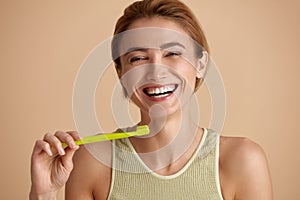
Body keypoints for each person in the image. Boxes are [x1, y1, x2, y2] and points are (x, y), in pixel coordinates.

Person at [29, 0, 273, 199]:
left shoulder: (243, 160)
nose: (156, 71)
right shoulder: (90, 162)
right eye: (137, 58)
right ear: (121, 73)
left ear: (200, 64)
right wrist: (44, 194)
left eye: (173, 53)